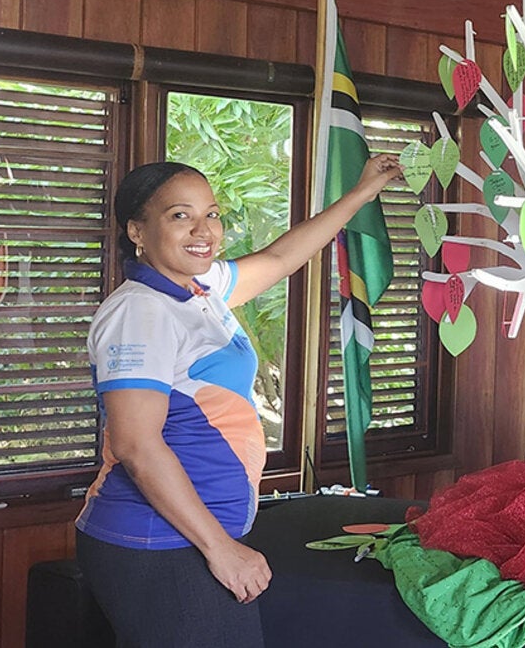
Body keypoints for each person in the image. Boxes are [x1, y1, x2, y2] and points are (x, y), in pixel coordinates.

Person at [75, 155, 401, 647]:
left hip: (190, 536)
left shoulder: (197, 292)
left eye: (212, 213)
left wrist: (360, 194)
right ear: (137, 231)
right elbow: (136, 446)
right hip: (158, 541)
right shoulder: (141, 311)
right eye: (179, 215)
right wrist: (221, 550)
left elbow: (278, 260)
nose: (203, 229)